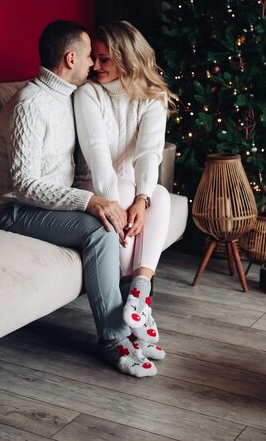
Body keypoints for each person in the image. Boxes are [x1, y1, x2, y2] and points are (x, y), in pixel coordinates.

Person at [0, 20, 159, 378]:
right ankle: (112, 338)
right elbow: (24, 184)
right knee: (100, 228)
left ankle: (133, 311)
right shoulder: (31, 103)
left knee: (120, 213)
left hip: (43, 205)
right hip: (11, 209)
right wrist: (90, 201)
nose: (95, 64)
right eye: (89, 57)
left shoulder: (67, 96)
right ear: (69, 58)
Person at [74, 20, 176, 354]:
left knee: (158, 193)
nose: (95, 66)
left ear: (126, 59)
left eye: (104, 59)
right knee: (120, 184)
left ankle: (140, 289)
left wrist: (142, 201)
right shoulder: (88, 93)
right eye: (95, 58)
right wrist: (116, 207)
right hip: (96, 185)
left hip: (131, 186)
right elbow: (98, 154)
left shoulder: (152, 97)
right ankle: (136, 320)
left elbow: (149, 153)